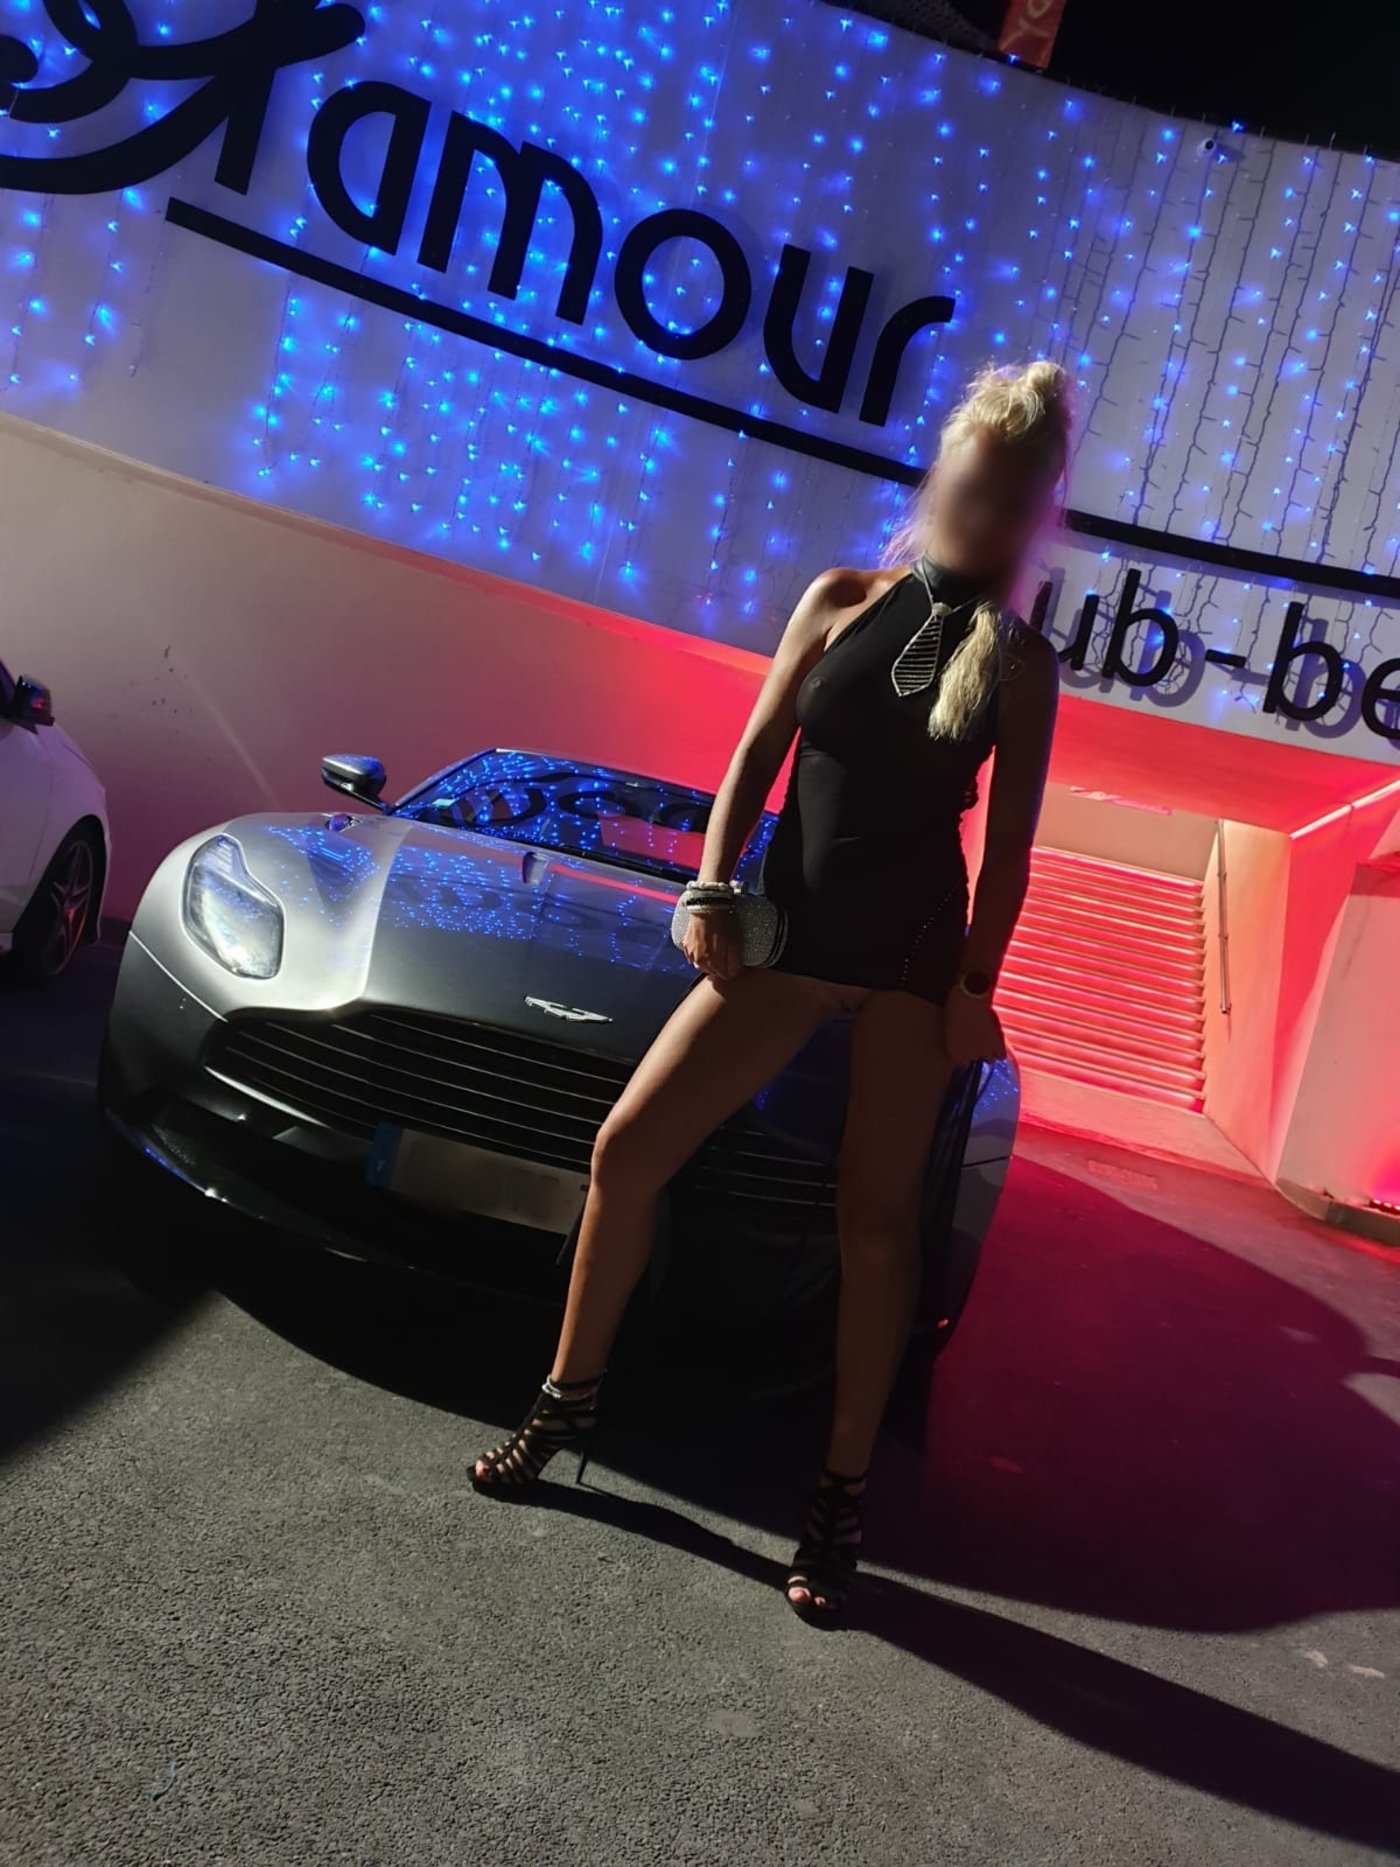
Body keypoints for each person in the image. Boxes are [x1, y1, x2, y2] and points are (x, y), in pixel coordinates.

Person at [471, 358, 1069, 1624]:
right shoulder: (841, 597)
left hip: (910, 970)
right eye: (972, 487)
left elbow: (1009, 852)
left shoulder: (1020, 663)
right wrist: (705, 885)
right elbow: (755, 754)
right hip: (787, 936)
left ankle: (837, 1496)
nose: (983, 516)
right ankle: (566, 1400)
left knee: (875, 1225)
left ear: (1032, 519)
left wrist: (974, 985)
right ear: (942, 476)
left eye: (1012, 505)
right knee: (627, 1149)